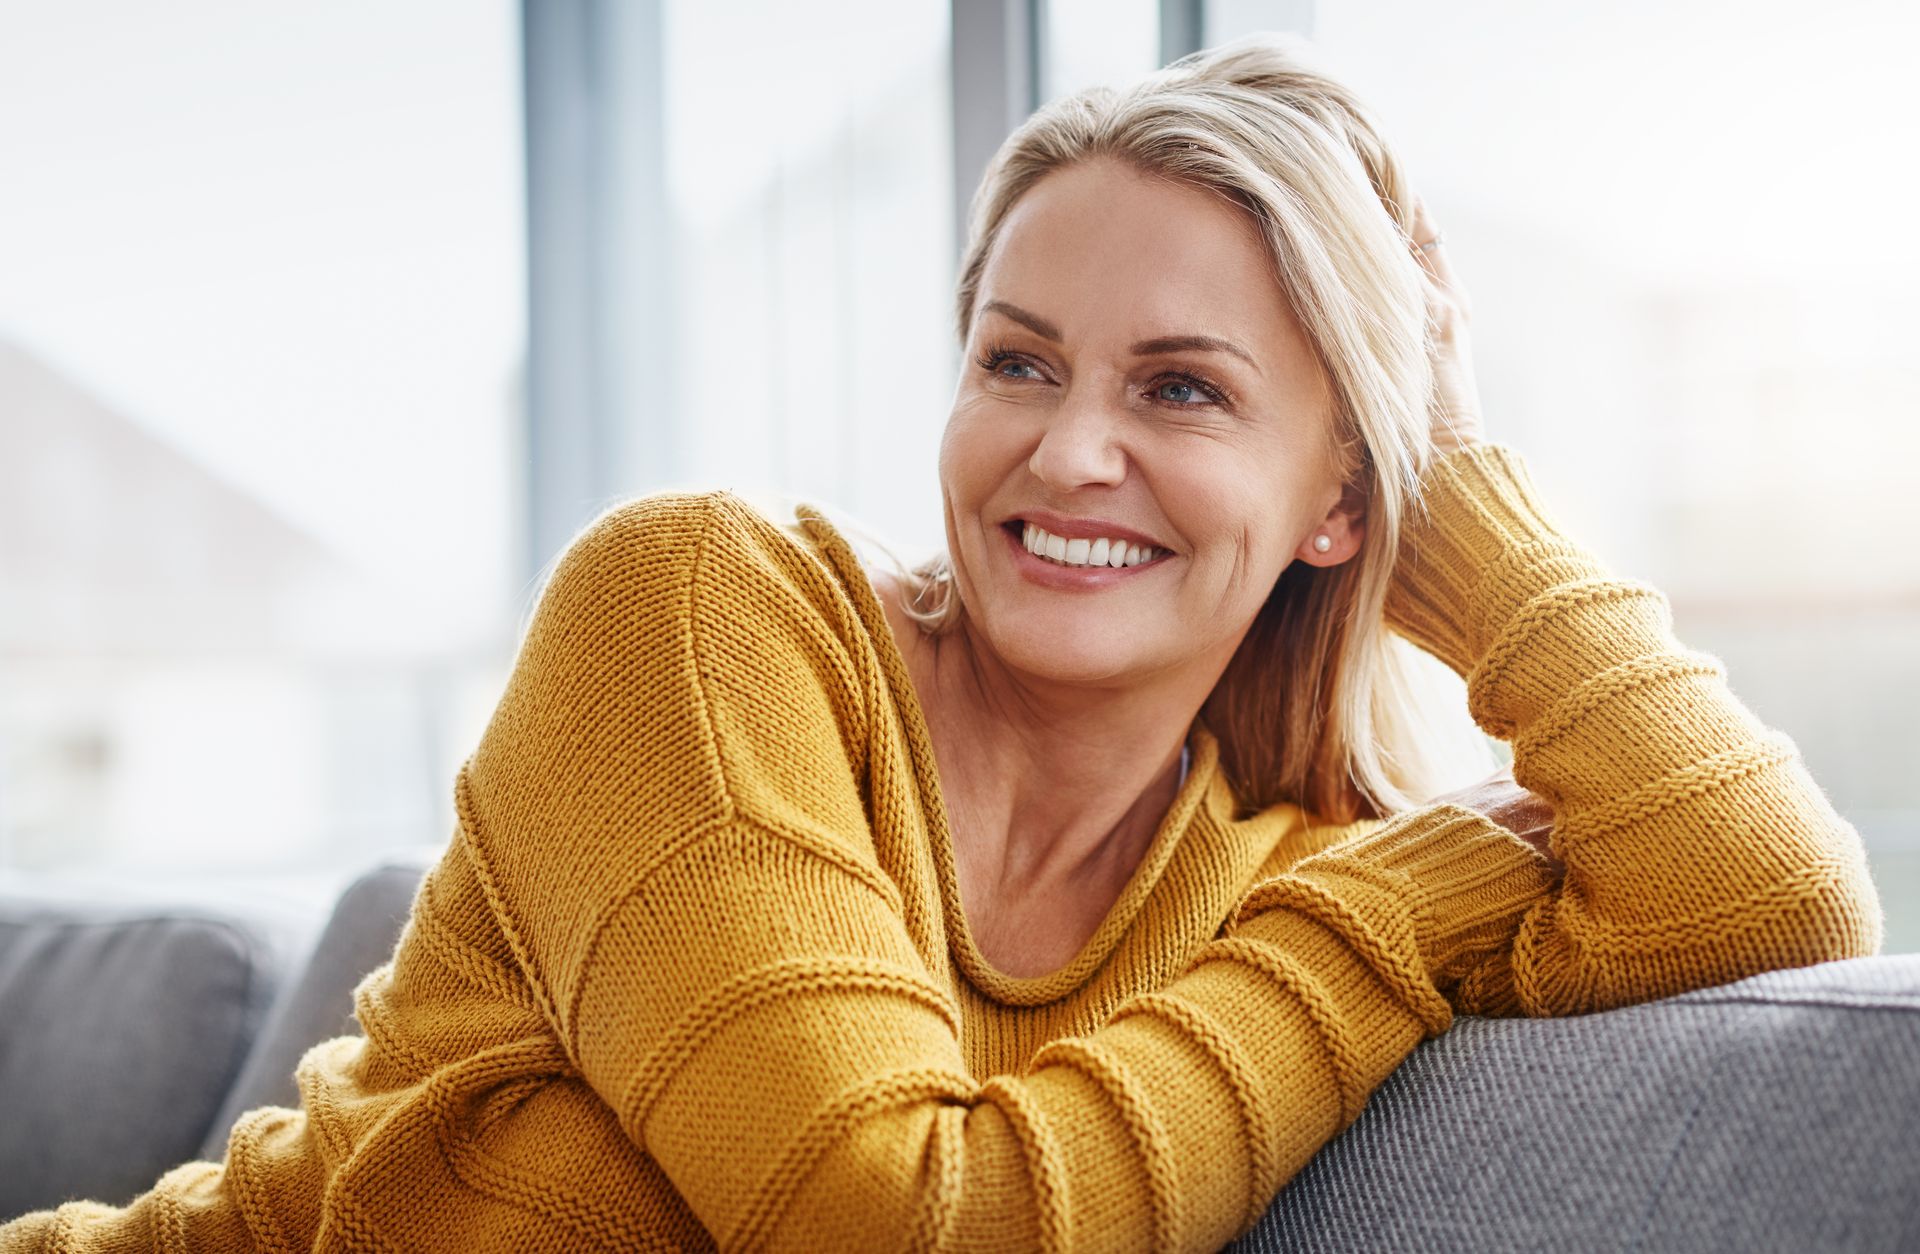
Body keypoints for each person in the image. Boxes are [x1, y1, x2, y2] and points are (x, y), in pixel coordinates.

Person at [1, 30, 1881, 1253]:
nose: (1070, 445)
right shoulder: (703, 619)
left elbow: (1768, 896)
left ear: (1337, 504)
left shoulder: (1269, 877)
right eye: (1018, 360)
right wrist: (1379, 926)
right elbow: (890, 1223)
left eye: (1183, 386)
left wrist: (1449, 488)